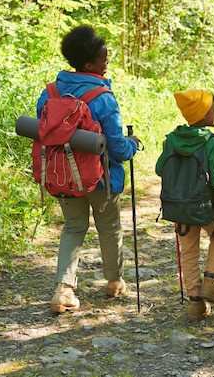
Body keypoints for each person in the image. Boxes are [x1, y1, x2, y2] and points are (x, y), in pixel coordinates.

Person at [36, 25, 140, 313]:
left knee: (72, 228)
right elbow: (117, 147)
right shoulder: (103, 97)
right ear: (88, 64)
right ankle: (114, 281)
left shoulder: (50, 93)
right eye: (103, 58)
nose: (107, 62)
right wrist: (133, 145)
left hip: (63, 177)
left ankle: (64, 290)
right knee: (109, 228)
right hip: (101, 180)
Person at [155, 89, 214, 321]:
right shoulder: (212, 141)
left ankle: (195, 305)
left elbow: (159, 169)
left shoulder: (172, 140)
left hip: (179, 207)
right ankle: (211, 281)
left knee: (189, 251)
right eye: (212, 108)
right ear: (203, 113)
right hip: (206, 207)